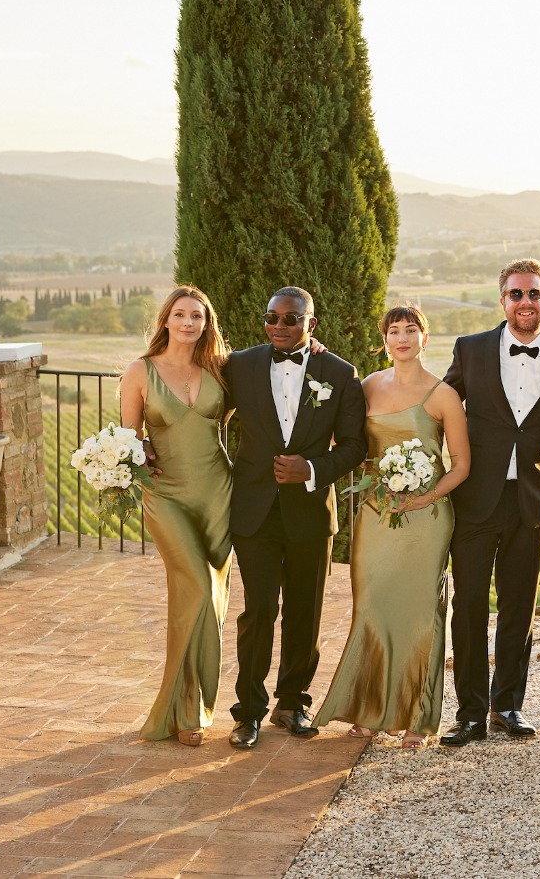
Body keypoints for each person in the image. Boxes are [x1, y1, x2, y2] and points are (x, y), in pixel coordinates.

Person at [314, 306, 470, 748]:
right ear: (383, 339)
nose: (402, 338)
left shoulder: (443, 395)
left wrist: (425, 497)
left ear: (425, 337)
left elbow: (461, 465)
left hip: (426, 518)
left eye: (411, 330)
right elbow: (343, 440)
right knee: (373, 606)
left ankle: (415, 716)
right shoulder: (366, 387)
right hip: (376, 515)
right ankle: (366, 709)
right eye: (393, 331)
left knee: (421, 613)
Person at [440, 259, 540, 747]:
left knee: (520, 608)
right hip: (476, 497)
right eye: (517, 294)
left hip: (530, 500)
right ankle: (470, 713)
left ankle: (508, 706)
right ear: (503, 300)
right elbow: (433, 403)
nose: (526, 302)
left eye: (535, 294)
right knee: (470, 606)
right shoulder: (470, 349)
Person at [226, 287, 368, 748]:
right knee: (259, 609)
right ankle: (247, 711)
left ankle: (292, 703)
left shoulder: (340, 373)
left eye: (291, 319)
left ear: (312, 322)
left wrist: (311, 470)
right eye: (272, 317)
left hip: (310, 512)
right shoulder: (240, 366)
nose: (280, 326)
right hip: (255, 513)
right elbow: (198, 409)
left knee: (305, 613)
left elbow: (353, 445)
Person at [119, 286, 233, 747]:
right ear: (165, 320)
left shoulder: (221, 369)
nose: (189, 323)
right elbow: (129, 436)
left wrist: (314, 346)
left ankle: (195, 707)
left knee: (209, 601)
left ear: (207, 324)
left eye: (198, 316)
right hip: (165, 494)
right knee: (197, 589)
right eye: (181, 314)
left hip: (217, 493)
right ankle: (186, 710)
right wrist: (138, 450)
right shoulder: (140, 371)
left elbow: (277, 369)